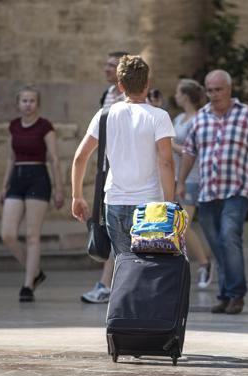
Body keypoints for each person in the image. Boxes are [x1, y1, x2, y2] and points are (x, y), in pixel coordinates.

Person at [177, 69, 248, 315]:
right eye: (209, 90)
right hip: (207, 191)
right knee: (217, 244)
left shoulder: (247, 115)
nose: (214, 94)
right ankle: (225, 294)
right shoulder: (200, 118)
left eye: (218, 89)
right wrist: (180, 181)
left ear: (229, 89)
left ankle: (236, 294)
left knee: (229, 236)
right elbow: (189, 152)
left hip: (237, 189)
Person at [71, 55, 175, 266]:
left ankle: (122, 300)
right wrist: (170, 203)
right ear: (147, 84)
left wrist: (77, 196)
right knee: (149, 267)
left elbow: (80, 157)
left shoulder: (104, 115)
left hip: (115, 203)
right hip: (150, 204)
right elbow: (166, 162)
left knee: (124, 265)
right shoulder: (159, 116)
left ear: (120, 86)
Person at [0, 85, 65, 302]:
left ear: (38, 104)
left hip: (38, 177)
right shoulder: (14, 126)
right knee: (7, 234)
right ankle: (35, 271)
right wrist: (4, 185)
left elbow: (54, 159)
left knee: (31, 235)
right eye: (24, 100)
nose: (28, 104)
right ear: (18, 104)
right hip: (17, 177)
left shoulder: (45, 126)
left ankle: (28, 284)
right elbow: (10, 157)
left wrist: (59, 188)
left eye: (32, 101)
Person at [80, 51, 128, 304]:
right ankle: (108, 283)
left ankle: (107, 284)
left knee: (114, 226)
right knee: (106, 225)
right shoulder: (107, 96)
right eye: (106, 64)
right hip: (107, 167)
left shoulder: (131, 99)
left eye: (112, 66)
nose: (107, 69)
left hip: (123, 169)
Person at [172, 78, 213, 289]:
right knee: (177, 226)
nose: (175, 96)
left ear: (186, 96)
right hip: (177, 178)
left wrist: (173, 146)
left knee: (182, 226)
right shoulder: (178, 118)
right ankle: (188, 265)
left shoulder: (198, 119)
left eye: (178, 93)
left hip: (194, 178)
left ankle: (205, 264)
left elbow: (194, 151)